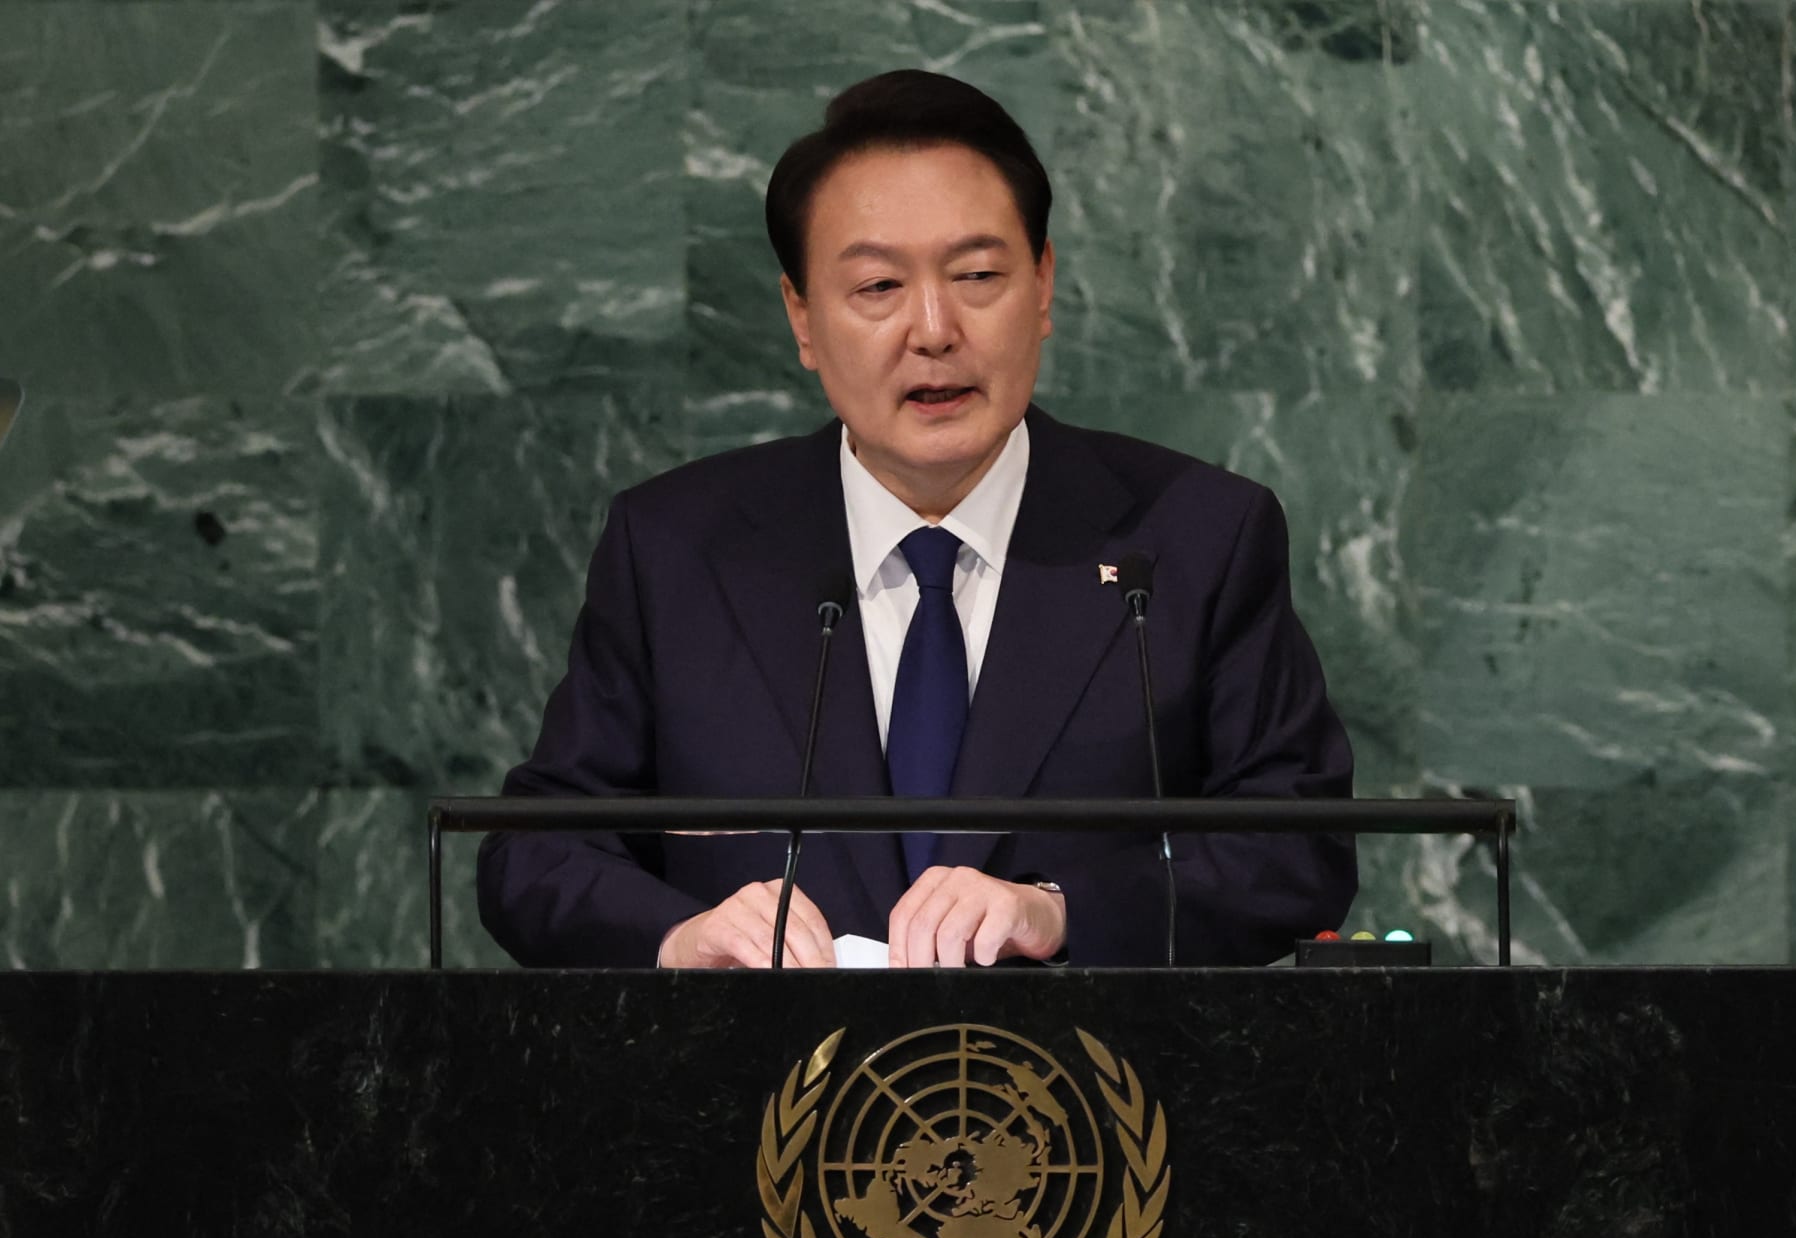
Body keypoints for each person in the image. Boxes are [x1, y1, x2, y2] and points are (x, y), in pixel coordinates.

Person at [476, 70, 1355, 969]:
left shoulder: (1196, 537)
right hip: (759, 1093)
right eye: (878, 287)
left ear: (1044, 286)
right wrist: (678, 936)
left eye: (978, 275)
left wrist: (1058, 912)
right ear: (802, 318)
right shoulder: (677, 549)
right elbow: (535, 852)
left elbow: (1298, 847)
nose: (934, 330)